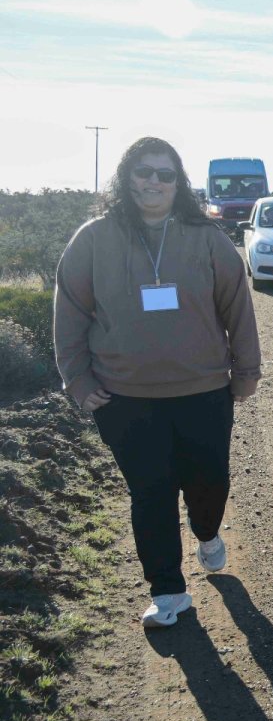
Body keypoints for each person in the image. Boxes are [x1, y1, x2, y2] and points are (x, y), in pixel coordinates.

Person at [54, 136, 261, 628]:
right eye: (143, 171)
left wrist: (246, 371)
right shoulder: (93, 238)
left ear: (178, 182)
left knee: (209, 482)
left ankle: (206, 531)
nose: (154, 181)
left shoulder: (206, 237)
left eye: (165, 174)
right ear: (127, 177)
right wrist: (77, 379)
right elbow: (70, 310)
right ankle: (167, 590)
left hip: (203, 392)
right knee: (151, 492)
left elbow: (238, 306)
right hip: (124, 397)